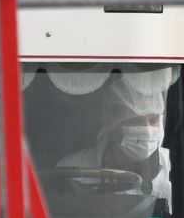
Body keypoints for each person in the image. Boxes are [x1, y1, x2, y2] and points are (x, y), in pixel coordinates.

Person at [56, 72, 173, 207]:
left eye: (153, 120)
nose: (147, 130)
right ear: (112, 123)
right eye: (135, 121)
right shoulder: (71, 171)